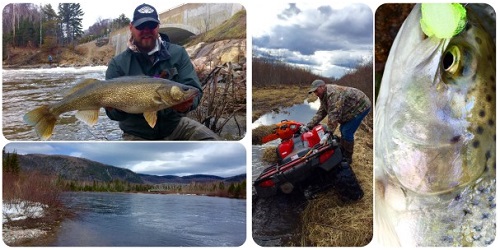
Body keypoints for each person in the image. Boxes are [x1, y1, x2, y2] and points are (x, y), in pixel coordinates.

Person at [105, 3, 220, 140]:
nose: (146, 30)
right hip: (136, 133)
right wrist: (115, 108)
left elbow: (195, 90)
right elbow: (113, 115)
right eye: (141, 26)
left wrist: (185, 106)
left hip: (175, 126)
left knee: (214, 143)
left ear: (158, 26)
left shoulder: (178, 53)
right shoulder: (117, 64)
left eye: (151, 26)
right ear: (131, 27)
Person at [306, 79, 371, 163]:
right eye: (314, 92)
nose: (316, 94)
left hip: (361, 106)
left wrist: (328, 133)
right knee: (342, 129)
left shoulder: (333, 94)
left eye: (316, 91)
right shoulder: (324, 95)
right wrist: (309, 126)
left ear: (322, 87)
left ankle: (347, 157)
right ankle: (342, 149)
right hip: (350, 108)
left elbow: (334, 114)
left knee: (347, 131)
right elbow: (322, 111)